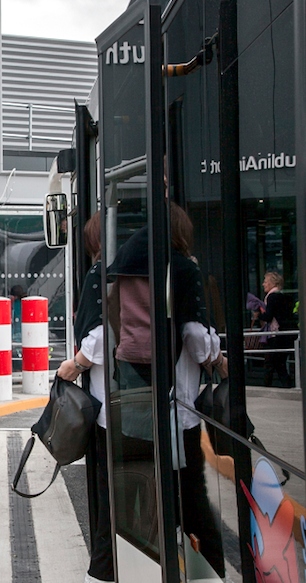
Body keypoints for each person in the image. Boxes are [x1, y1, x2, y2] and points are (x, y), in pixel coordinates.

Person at [108, 203, 226, 577]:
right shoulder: (183, 268)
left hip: (133, 401)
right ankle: (212, 574)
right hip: (179, 407)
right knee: (194, 501)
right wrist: (216, 352)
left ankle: (147, 569)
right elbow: (194, 337)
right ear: (181, 233)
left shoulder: (126, 267)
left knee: (144, 496)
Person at [55, 212, 111, 582]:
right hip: (126, 398)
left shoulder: (100, 275)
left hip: (107, 402)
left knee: (109, 490)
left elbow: (102, 331)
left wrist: (75, 364)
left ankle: (102, 569)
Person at [255, 271, 294, 388]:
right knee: (279, 363)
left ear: (272, 283)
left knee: (271, 362)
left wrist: (258, 316)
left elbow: (269, 316)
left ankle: (267, 387)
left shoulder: (272, 297)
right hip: (285, 335)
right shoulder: (283, 296)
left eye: (265, 281)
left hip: (277, 336)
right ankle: (287, 385)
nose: (263, 284)